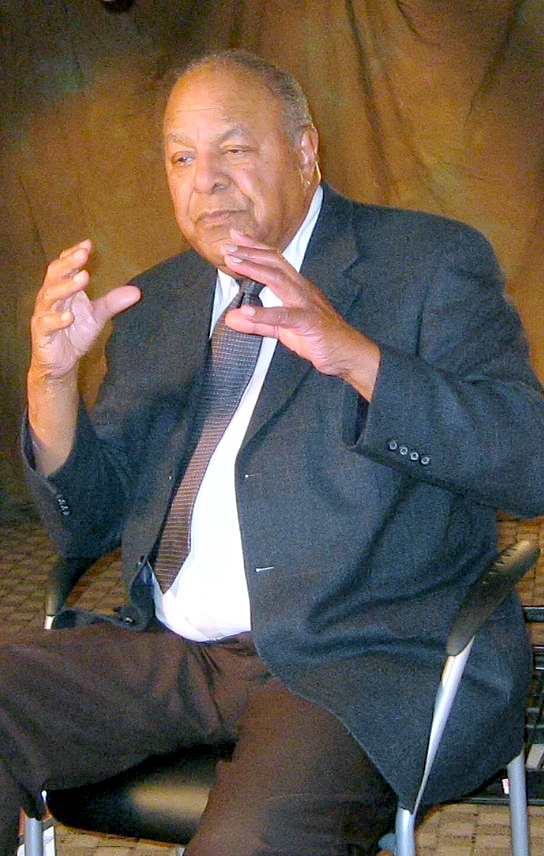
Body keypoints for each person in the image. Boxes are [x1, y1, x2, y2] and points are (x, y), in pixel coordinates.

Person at [14, 48, 544, 856]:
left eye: (233, 148)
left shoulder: (425, 265)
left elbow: (528, 462)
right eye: (181, 158)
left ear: (305, 151)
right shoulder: (159, 302)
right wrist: (50, 384)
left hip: (358, 661)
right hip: (175, 650)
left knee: (251, 841)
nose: (205, 181)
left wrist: (358, 358)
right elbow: (87, 522)